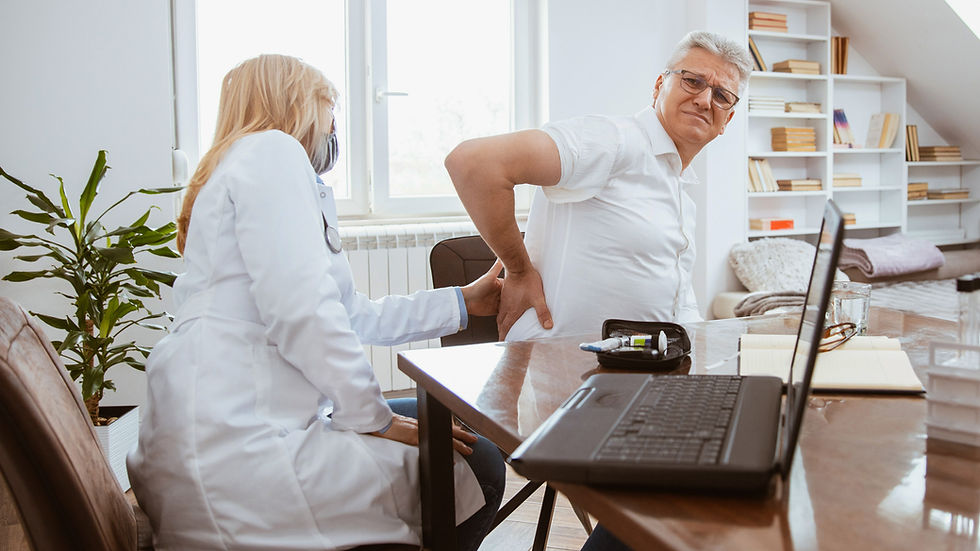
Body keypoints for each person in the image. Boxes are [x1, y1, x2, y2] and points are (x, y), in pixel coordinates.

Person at [128, 54, 505, 551]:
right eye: (331, 110)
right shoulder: (271, 151)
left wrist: (462, 301)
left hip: (219, 443)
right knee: (478, 462)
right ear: (297, 104)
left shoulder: (242, 170)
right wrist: (375, 418)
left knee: (442, 430)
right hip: (246, 462)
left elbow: (350, 314)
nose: (333, 130)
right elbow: (304, 311)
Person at [445, 30, 753, 343]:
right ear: (660, 86)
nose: (704, 100)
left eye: (721, 95)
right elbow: (474, 164)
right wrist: (519, 271)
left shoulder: (682, 195)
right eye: (693, 80)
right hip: (563, 370)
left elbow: (677, 301)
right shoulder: (613, 139)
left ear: (727, 120)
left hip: (643, 370)